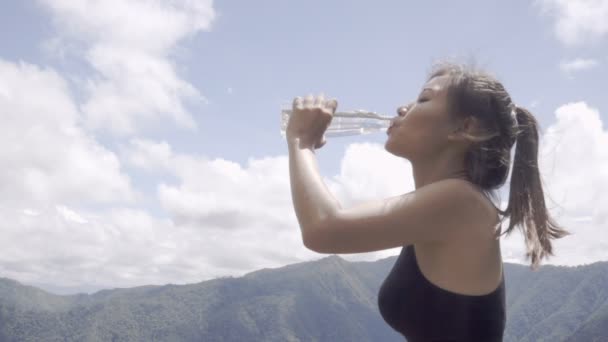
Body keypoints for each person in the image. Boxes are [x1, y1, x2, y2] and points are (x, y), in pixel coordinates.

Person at [285, 61, 571, 341]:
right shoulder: (447, 205)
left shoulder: (462, 203)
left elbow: (323, 229)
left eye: (423, 99)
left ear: (465, 127)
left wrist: (301, 142)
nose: (402, 108)